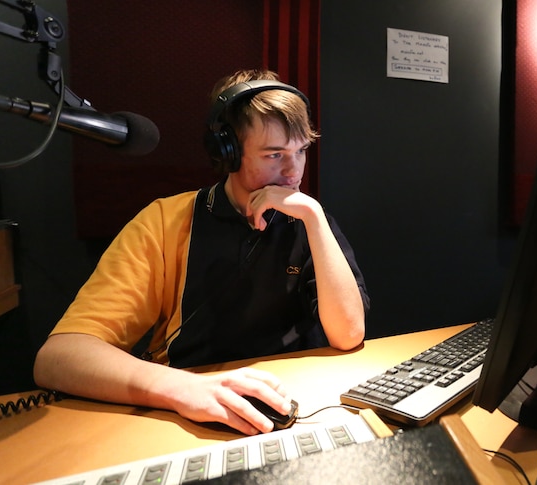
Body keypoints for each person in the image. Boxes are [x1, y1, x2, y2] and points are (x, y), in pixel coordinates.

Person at [33, 69, 369, 435]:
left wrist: (315, 218)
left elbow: (349, 334)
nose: (293, 171)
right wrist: (184, 389)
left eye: (300, 151)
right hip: (187, 412)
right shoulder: (164, 221)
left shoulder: (310, 220)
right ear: (226, 152)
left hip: (293, 405)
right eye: (274, 155)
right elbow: (59, 357)